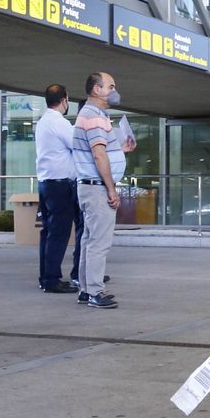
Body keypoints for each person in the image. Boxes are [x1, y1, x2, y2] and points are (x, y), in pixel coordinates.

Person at [71, 72, 134, 310]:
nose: (114, 90)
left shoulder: (91, 115)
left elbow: (101, 150)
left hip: (89, 186)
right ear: (97, 89)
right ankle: (95, 292)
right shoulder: (94, 116)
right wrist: (111, 189)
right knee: (99, 242)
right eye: (111, 86)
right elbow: (98, 155)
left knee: (89, 240)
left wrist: (120, 150)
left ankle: (86, 291)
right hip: (97, 188)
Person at [35, 83, 81, 294]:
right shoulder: (59, 122)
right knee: (58, 234)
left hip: (46, 184)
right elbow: (77, 144)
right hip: (60, 186)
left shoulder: (43, 121)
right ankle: (52, 279)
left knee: (48, 232)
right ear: (64, 100)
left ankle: (45, 276)